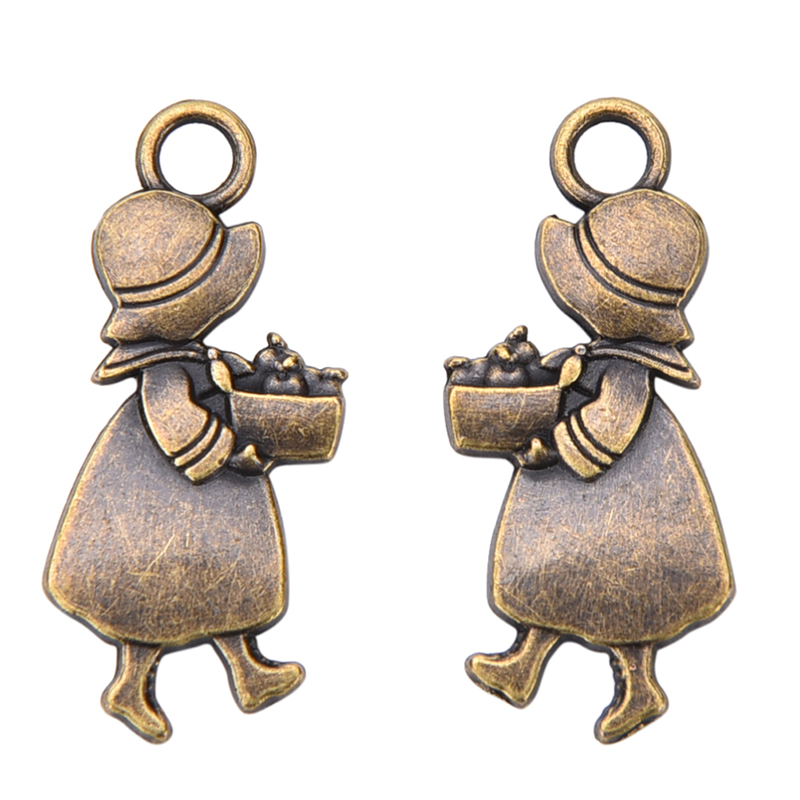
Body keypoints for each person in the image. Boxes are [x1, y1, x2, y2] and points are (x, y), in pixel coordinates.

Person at [465, 187, 734, 743]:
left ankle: (639, 687)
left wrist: (554, 447)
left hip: (629, 497)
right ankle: (524, 663)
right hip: (576, 499)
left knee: (627, 595)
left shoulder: (629, 371)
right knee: (550, 573)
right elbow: (573, 377)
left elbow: (611, 426)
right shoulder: (599, 355)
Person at [44, 189, 303, 743]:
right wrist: (228, 451)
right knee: (153, 591)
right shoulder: (163, 371)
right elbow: (175, 424)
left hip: (208, 499)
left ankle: (247, 669)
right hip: (162, 495)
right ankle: (129, 686)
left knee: (226, 577)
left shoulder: (194, 355)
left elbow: (220, 384)